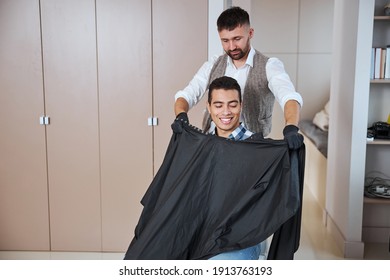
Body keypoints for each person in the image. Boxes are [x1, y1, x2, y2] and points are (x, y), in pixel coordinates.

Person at [173, 6, 303, 149]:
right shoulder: (213, 64)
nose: (232, 46)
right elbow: (187, 95)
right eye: (225, 41)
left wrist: (291, 127)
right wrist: (181, 116)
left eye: (237, 39)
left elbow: (289, 97)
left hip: (251, 148)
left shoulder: (269, 66)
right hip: (212, 143)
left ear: (250, 33)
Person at [203, 75, 267, 260]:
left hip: (241, 236)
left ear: (241, 105)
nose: (225, 112)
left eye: (232, 104)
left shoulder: (256, 148)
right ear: (209, 107)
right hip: (204, 231)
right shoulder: (201, 147)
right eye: (218, 105)